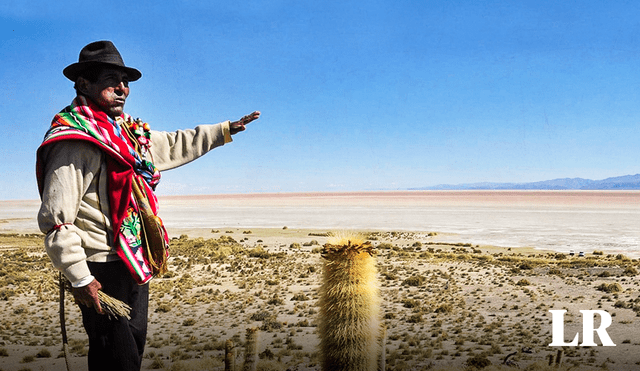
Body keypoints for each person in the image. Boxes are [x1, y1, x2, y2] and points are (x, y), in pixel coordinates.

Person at [36, 40, 260, 371]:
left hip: (134, 260)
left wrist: (224, 130)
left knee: (130, 351)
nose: (123, 89)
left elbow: (173, 143)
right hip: (100, 266)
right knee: (118, 357)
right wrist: (80, 277)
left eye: (125, 82)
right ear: (84, 83)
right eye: (112, 80)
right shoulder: (75, 139)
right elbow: (57, 218)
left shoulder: (126, 132)